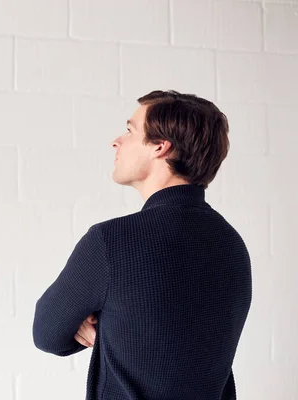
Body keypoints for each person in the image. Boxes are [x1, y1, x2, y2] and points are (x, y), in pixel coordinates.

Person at [32, 90, 252, 400]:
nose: (117, 141)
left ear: (161, 147)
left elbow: (47, 333)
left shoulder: (112, 242)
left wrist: (95, 321)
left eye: (130, 130)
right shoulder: (231, 244)